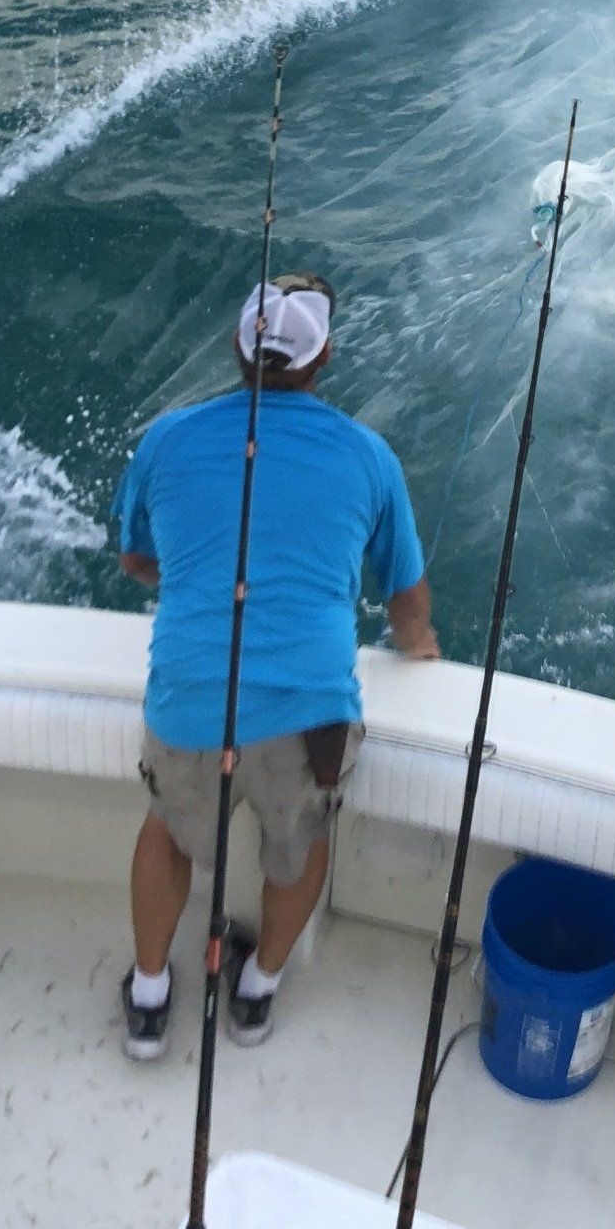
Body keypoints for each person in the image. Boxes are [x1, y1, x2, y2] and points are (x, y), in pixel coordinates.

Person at [113, 270, 439, 1059]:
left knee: (167, 831)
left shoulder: (167, 439)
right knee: (298, 847)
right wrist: (421, 652)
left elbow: (137, 561)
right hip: (310, 717)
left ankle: (150, 997)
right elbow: (406, 604)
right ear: (323, 357)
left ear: (237, 346)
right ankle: (255, 993)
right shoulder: (370, 457)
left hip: (191, 702)